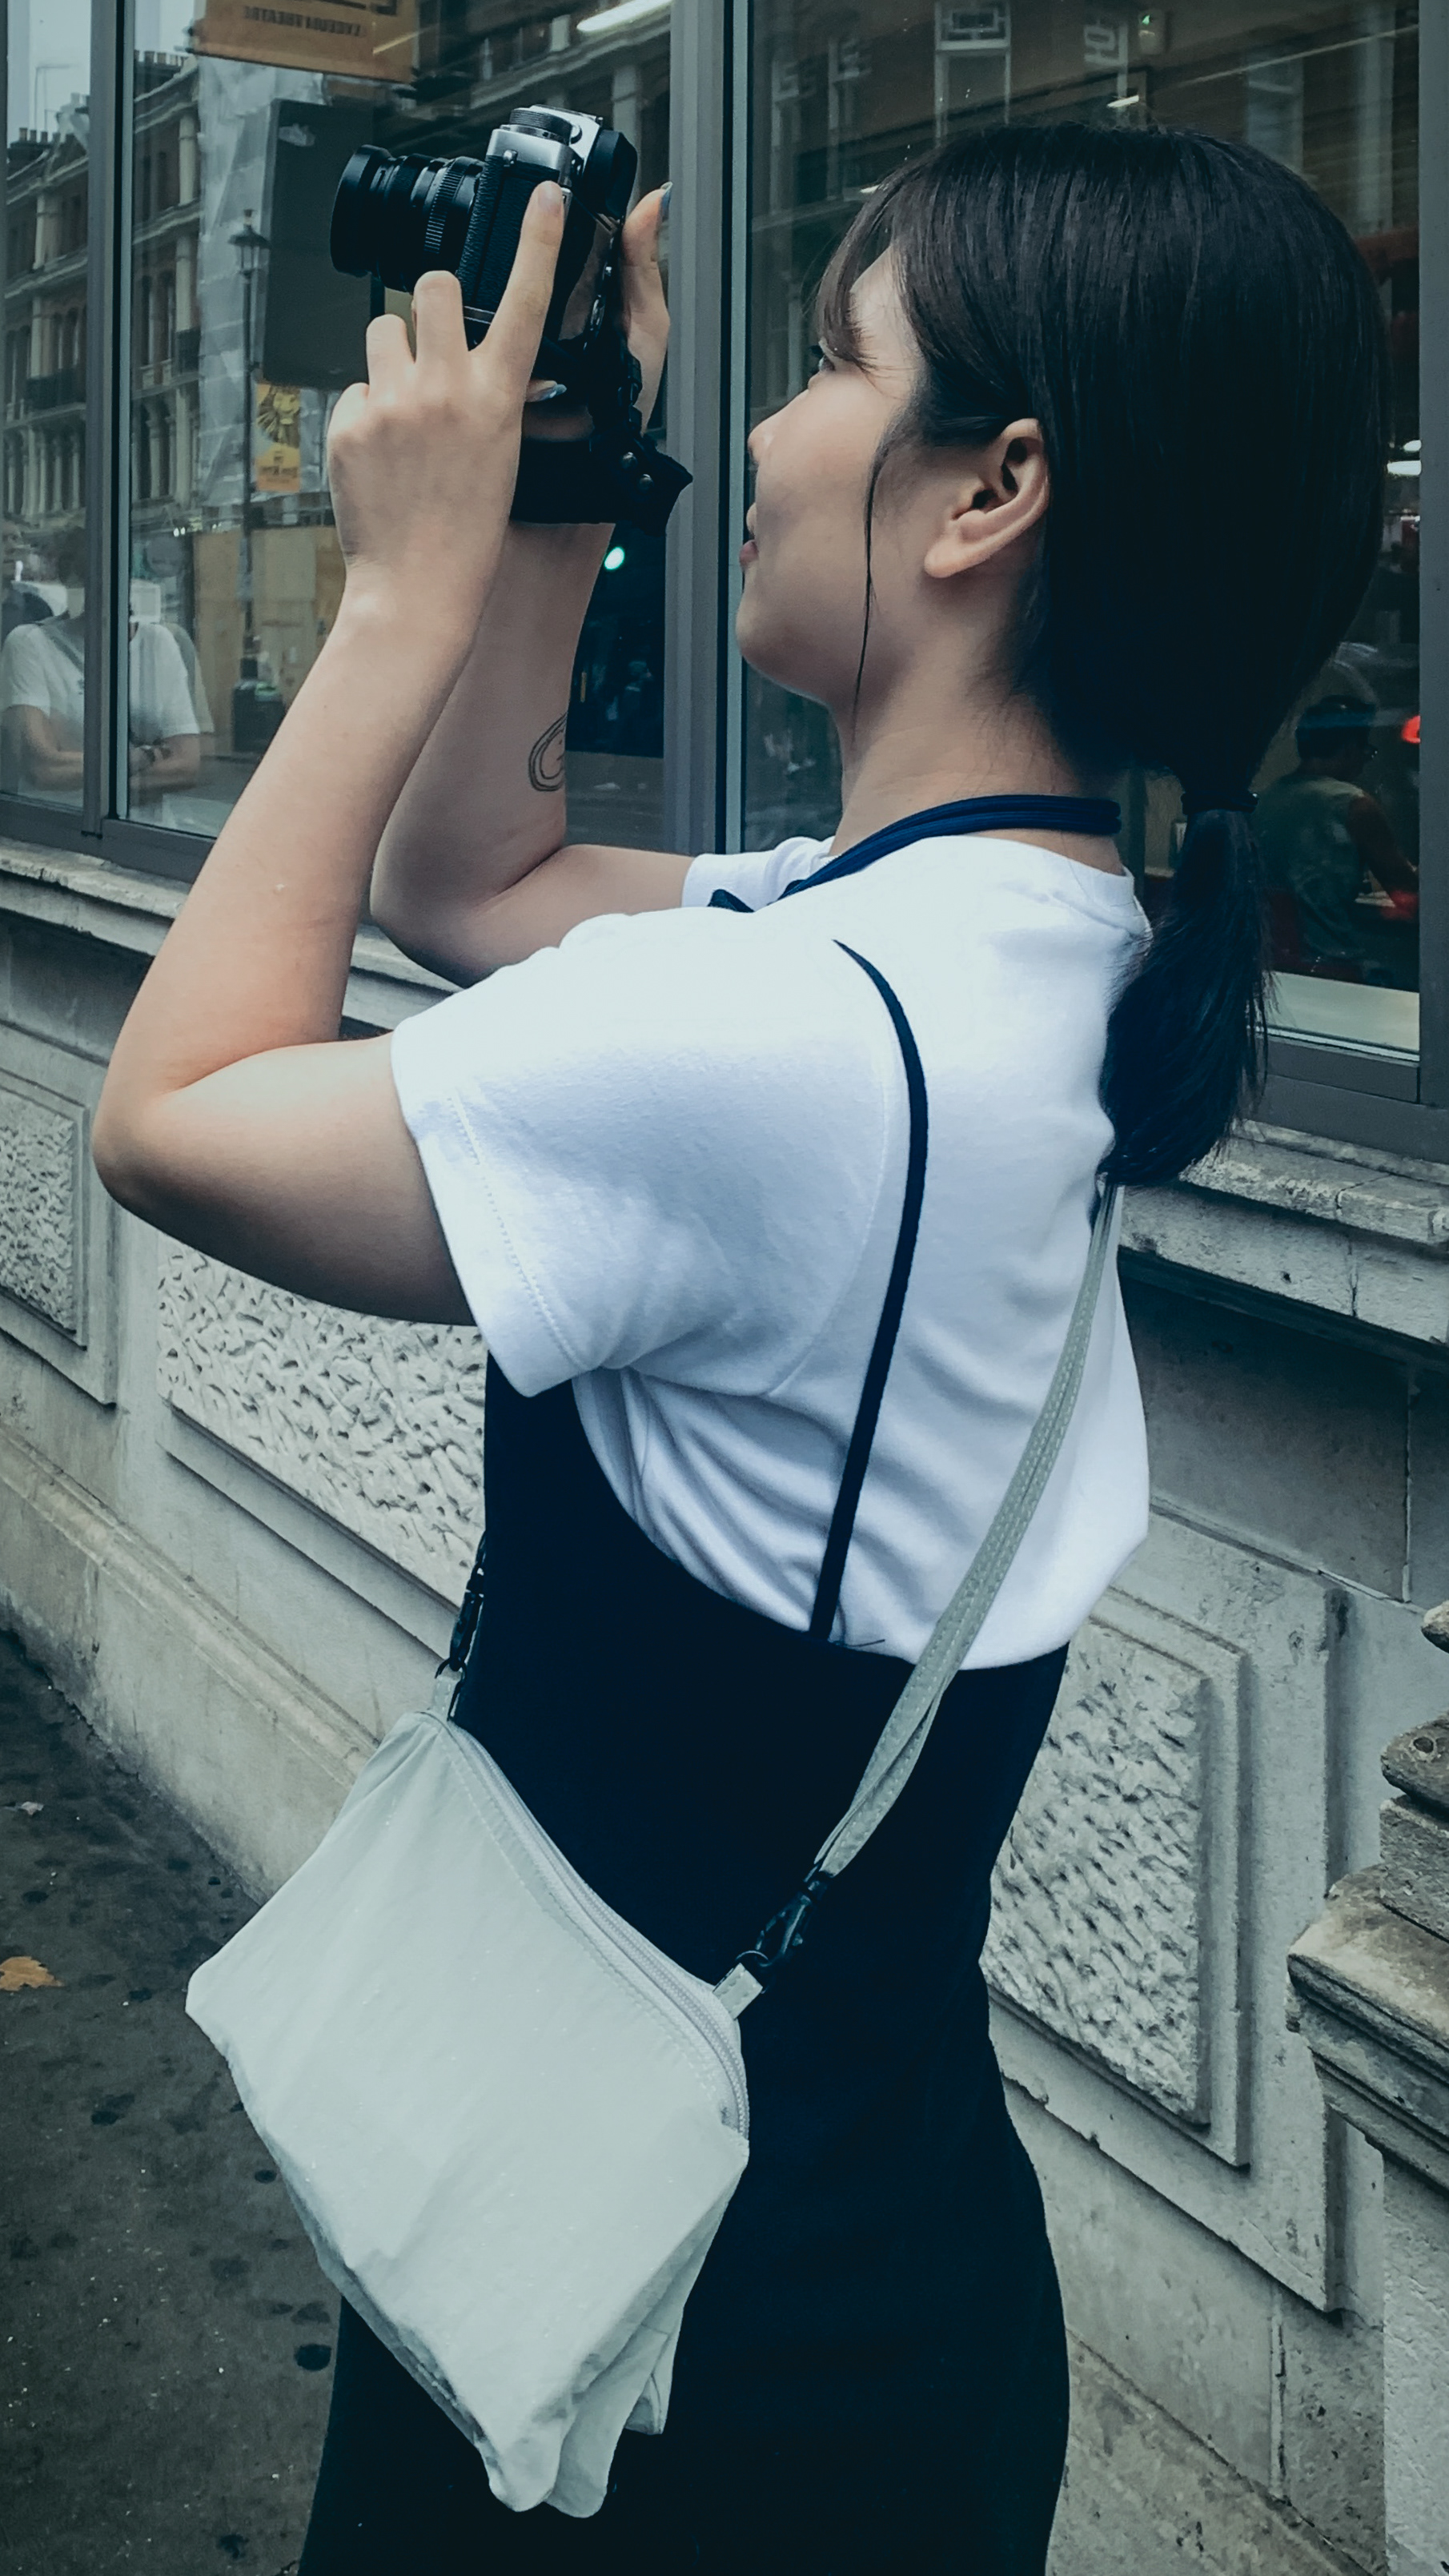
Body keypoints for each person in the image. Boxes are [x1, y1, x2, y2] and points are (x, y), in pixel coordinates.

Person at [90, 122, 1389, 2574]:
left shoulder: (793, 1040)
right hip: (840, 2278)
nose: (768, 437)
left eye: (824, 365)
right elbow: (474, 880)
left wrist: (397, 598)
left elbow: (167, 1116)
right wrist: (564, 491)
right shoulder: (998, 943)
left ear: (990, 488)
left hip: (649, 2370)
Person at [0, 526, 200, 803]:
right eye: (87, 576)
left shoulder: (159, 643)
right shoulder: (31, 643)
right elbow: (44, 769)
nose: (102, 587)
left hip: (138, 825)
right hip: (61, 821)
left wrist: (89, 773)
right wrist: (147, 756)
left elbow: (187, 766)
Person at [1255, 694, 1416, 983]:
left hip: (1270, 963)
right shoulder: (1352, 804)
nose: (1364, 763)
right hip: (1330, 964)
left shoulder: (1266, 798)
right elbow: (1408, 894)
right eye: (1366, 752)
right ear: (1350, 749)